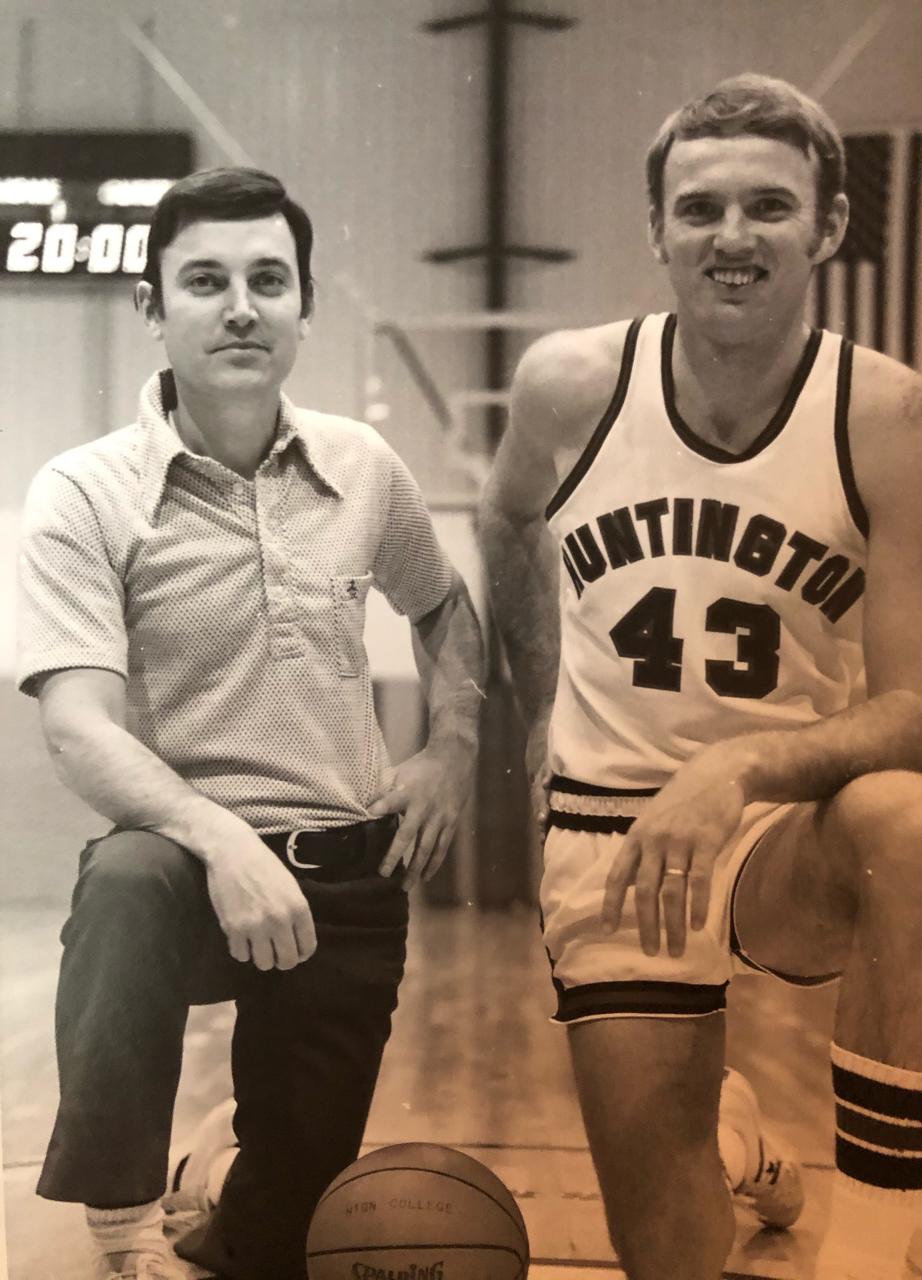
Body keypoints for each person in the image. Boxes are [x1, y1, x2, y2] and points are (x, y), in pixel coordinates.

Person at [478, 73, 922, 1280]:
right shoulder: (568, 387)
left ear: (829, 226)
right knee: (673, 1258)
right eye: (699, 209)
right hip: (610, 833)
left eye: (767, 206)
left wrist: (737, 763)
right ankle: (739, 1147)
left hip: (780, 826)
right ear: (658, 232)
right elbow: (504, 526)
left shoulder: (893, 417)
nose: (731, 237)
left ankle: (869, 1254)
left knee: (921, 826)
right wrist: (536, 707)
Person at [17, 166, 484, 1280]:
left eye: (268, 279)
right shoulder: (86, 491)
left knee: (280, 1246)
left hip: (345, 868)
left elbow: (447, 608)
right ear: (152, 307)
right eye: (206, 280)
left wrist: (454, 744)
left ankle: (226, 1178)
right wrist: (222, 840)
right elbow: (80, 724)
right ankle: (123, 1238)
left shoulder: (362, 466)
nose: (240, 304)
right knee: (125, 879)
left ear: (302, 306)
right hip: (186, 865)